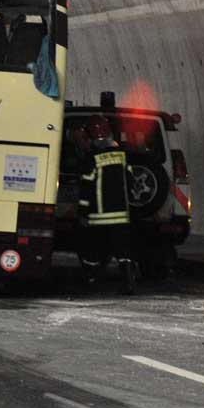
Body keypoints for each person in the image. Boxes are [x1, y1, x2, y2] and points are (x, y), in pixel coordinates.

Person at [77, 115, 137, 294]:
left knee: (92, 252)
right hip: (121, 216)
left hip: (98, 217)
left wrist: (82, 211)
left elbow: (86, 188)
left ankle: (92, 280)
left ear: (91, 136)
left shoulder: (92, 158)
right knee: (123, 251)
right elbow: (131, 181)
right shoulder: (123, 155)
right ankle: (128, 282)